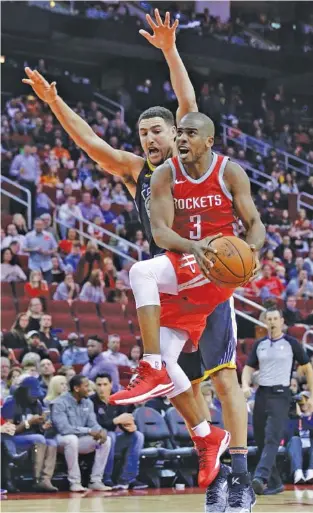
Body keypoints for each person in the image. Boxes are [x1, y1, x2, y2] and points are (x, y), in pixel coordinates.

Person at [22, 10, 252, 508]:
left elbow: (187, 100)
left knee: (202, 363)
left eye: (159, 131)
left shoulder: (186, 162)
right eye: (144, 132)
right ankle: (205, 435)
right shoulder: (136, 172)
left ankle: (237, 462)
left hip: (202, 269)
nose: (150, 138)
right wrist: (56, 102)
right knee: (167, 371)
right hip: (172, 278)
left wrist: (170, 51)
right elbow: (90, 144)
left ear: (178, 136)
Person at [110, 112, 264, 504]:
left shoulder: (230, 172)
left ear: (208, 140)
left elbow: (255, 223)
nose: (182, 138)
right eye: (181, 132)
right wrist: (193, 247)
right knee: (177, 372)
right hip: (184, 261)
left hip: (215, 271)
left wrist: (253, 251)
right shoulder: (164, 174)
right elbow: (160, 232)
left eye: (189, 133)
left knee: (224, 380)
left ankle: (242, 480)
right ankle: (207, 441)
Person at [242, 308, 313, 496]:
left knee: (272, 436)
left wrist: (312, 395)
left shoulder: (292, 343)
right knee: (259, 439)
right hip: (262, 394)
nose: (272, 322)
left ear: (282, 321)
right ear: (265, 322)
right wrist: (244, 384)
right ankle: (275, 483)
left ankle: (260, 477)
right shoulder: (259, 344)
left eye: (275, 318)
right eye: (269, 319)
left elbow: (308, 368)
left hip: (281, 394)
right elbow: (248, 367)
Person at [51, 375, 112, 492]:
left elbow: (92, 423)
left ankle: (95, 480)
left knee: (106, 440)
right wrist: (88, 431)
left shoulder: (87, 402)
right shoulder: (59, 402)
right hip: (59, 440)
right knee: (71, 439)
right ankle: (75, 482)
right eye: (86, 386)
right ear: (76, 388)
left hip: (80, 440)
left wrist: (101, 431)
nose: (89, 389)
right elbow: (64, 429)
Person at [1, 377, 58, 492]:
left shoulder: (37, 404)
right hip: (12, 440)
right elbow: (9, 431)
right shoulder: (11, 403)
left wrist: (43, 426)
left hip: (32, 438)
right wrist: (29, 422)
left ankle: (45, 480)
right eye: (32, 394)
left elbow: (38, 429)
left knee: (52, 442)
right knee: (39, 438)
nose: (35, 397)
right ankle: (36, 480)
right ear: (23, 392)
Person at [91, 373, 146, 490]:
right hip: (96, 441)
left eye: (105, 384)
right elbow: (97, 425)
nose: (102, 388)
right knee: (110, 435)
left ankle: (127, 479)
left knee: (138, 436)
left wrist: (130, 426)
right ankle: (106, 478)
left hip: (114, 441)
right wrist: (116, 420)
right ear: (94, 386)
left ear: (111, 385)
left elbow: (125, 418)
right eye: (99, 385)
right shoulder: (91, 402)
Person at [286, 391, 313, 484]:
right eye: (300, 400)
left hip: (310, 446)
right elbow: (288, 435)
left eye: (306, 399)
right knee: (295, 439)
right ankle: (298, 473)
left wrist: (304, 417)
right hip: (295, 447)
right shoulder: (293, 417)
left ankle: (311, 472)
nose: (303, 403)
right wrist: (298, 416)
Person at [22, 218, 57, 283]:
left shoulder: (49, 235)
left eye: (40, 225)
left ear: (43, 225)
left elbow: (55, 248)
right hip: (34, 265)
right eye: (37, 225)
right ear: (34, 225)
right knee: (35, 286)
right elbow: (23, 249)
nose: (39, 227)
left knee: (47, 287)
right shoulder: (28, 236)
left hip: (47, 265)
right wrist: (34, 250)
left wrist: (49, 252)